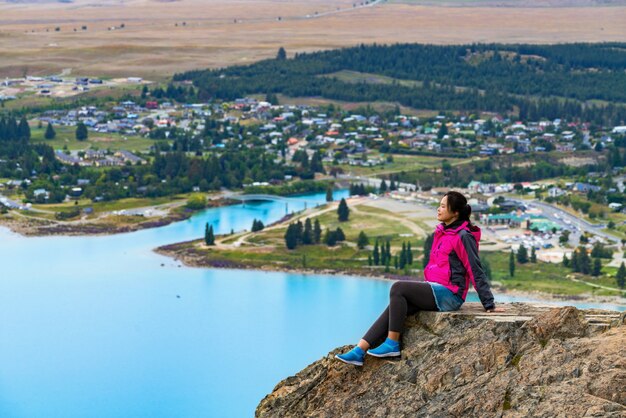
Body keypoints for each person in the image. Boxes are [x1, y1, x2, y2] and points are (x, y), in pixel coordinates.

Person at [335, 191, 504, 366]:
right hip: (436, 288)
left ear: (455, 213)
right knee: (397, 304)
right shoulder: (444, 232)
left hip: (450, 294)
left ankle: (392, 344)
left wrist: (489, 304)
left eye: (443, 206)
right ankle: (359, 350)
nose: (438, 209)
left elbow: (475, 269)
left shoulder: (463, 236)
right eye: (439, 205)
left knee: (398, 288)